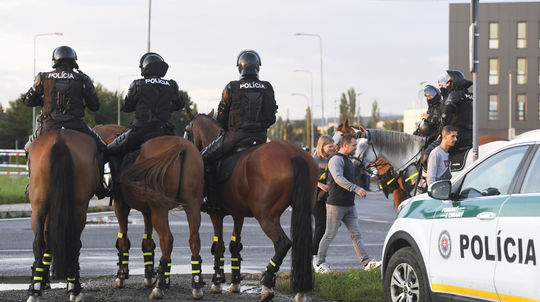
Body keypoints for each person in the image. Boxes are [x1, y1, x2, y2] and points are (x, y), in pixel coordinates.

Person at [22, 45, 108, 198]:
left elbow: (28, 102)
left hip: (48, 126)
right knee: (102, 148)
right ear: (73, 61)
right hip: (77, 126)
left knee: (28, 148)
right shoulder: (82, 78)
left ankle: (32, 184)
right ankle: (100, 184)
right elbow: (95, 106)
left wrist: (42, 99)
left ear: (55, 60)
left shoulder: (43, 77)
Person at [200, 50, 278, 213]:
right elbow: (271, 118)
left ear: (240, 67)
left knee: (203, 159)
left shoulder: (232, 87)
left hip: (235, 138)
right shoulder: (267, 87)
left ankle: (211, 201)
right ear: (257, 67)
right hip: (261, 138)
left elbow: (221, 118)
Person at [107, 52, 184, 193]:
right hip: (165, 131)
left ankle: (115, 187)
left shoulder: (137, 84)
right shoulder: (171, 85)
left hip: (141, 132)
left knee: (110, 150)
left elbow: (127, 107)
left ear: (145, 68)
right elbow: (179, 105)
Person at [314, 133, 381, 273]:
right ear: (345, 145)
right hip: (336, 205)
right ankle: (319, 263)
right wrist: (356, 189)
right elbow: (338, 179)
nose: (356, 148)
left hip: (349, 205)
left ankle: (367, 263)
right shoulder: (336, 160)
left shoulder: (348, 160)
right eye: (353, 145)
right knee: (329, 234)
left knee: (356, 234)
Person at [312, 135, 335, 264]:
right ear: (322, 146)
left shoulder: (329, 159)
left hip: (325, 195)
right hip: (314, 195)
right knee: (321, 224)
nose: (332, 148)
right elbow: (307, 177)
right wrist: (320, 185)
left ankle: (317, 253)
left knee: (322, 226)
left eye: (332, 146)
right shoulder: (314, 159)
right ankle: (314, 254)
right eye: (329, 146)